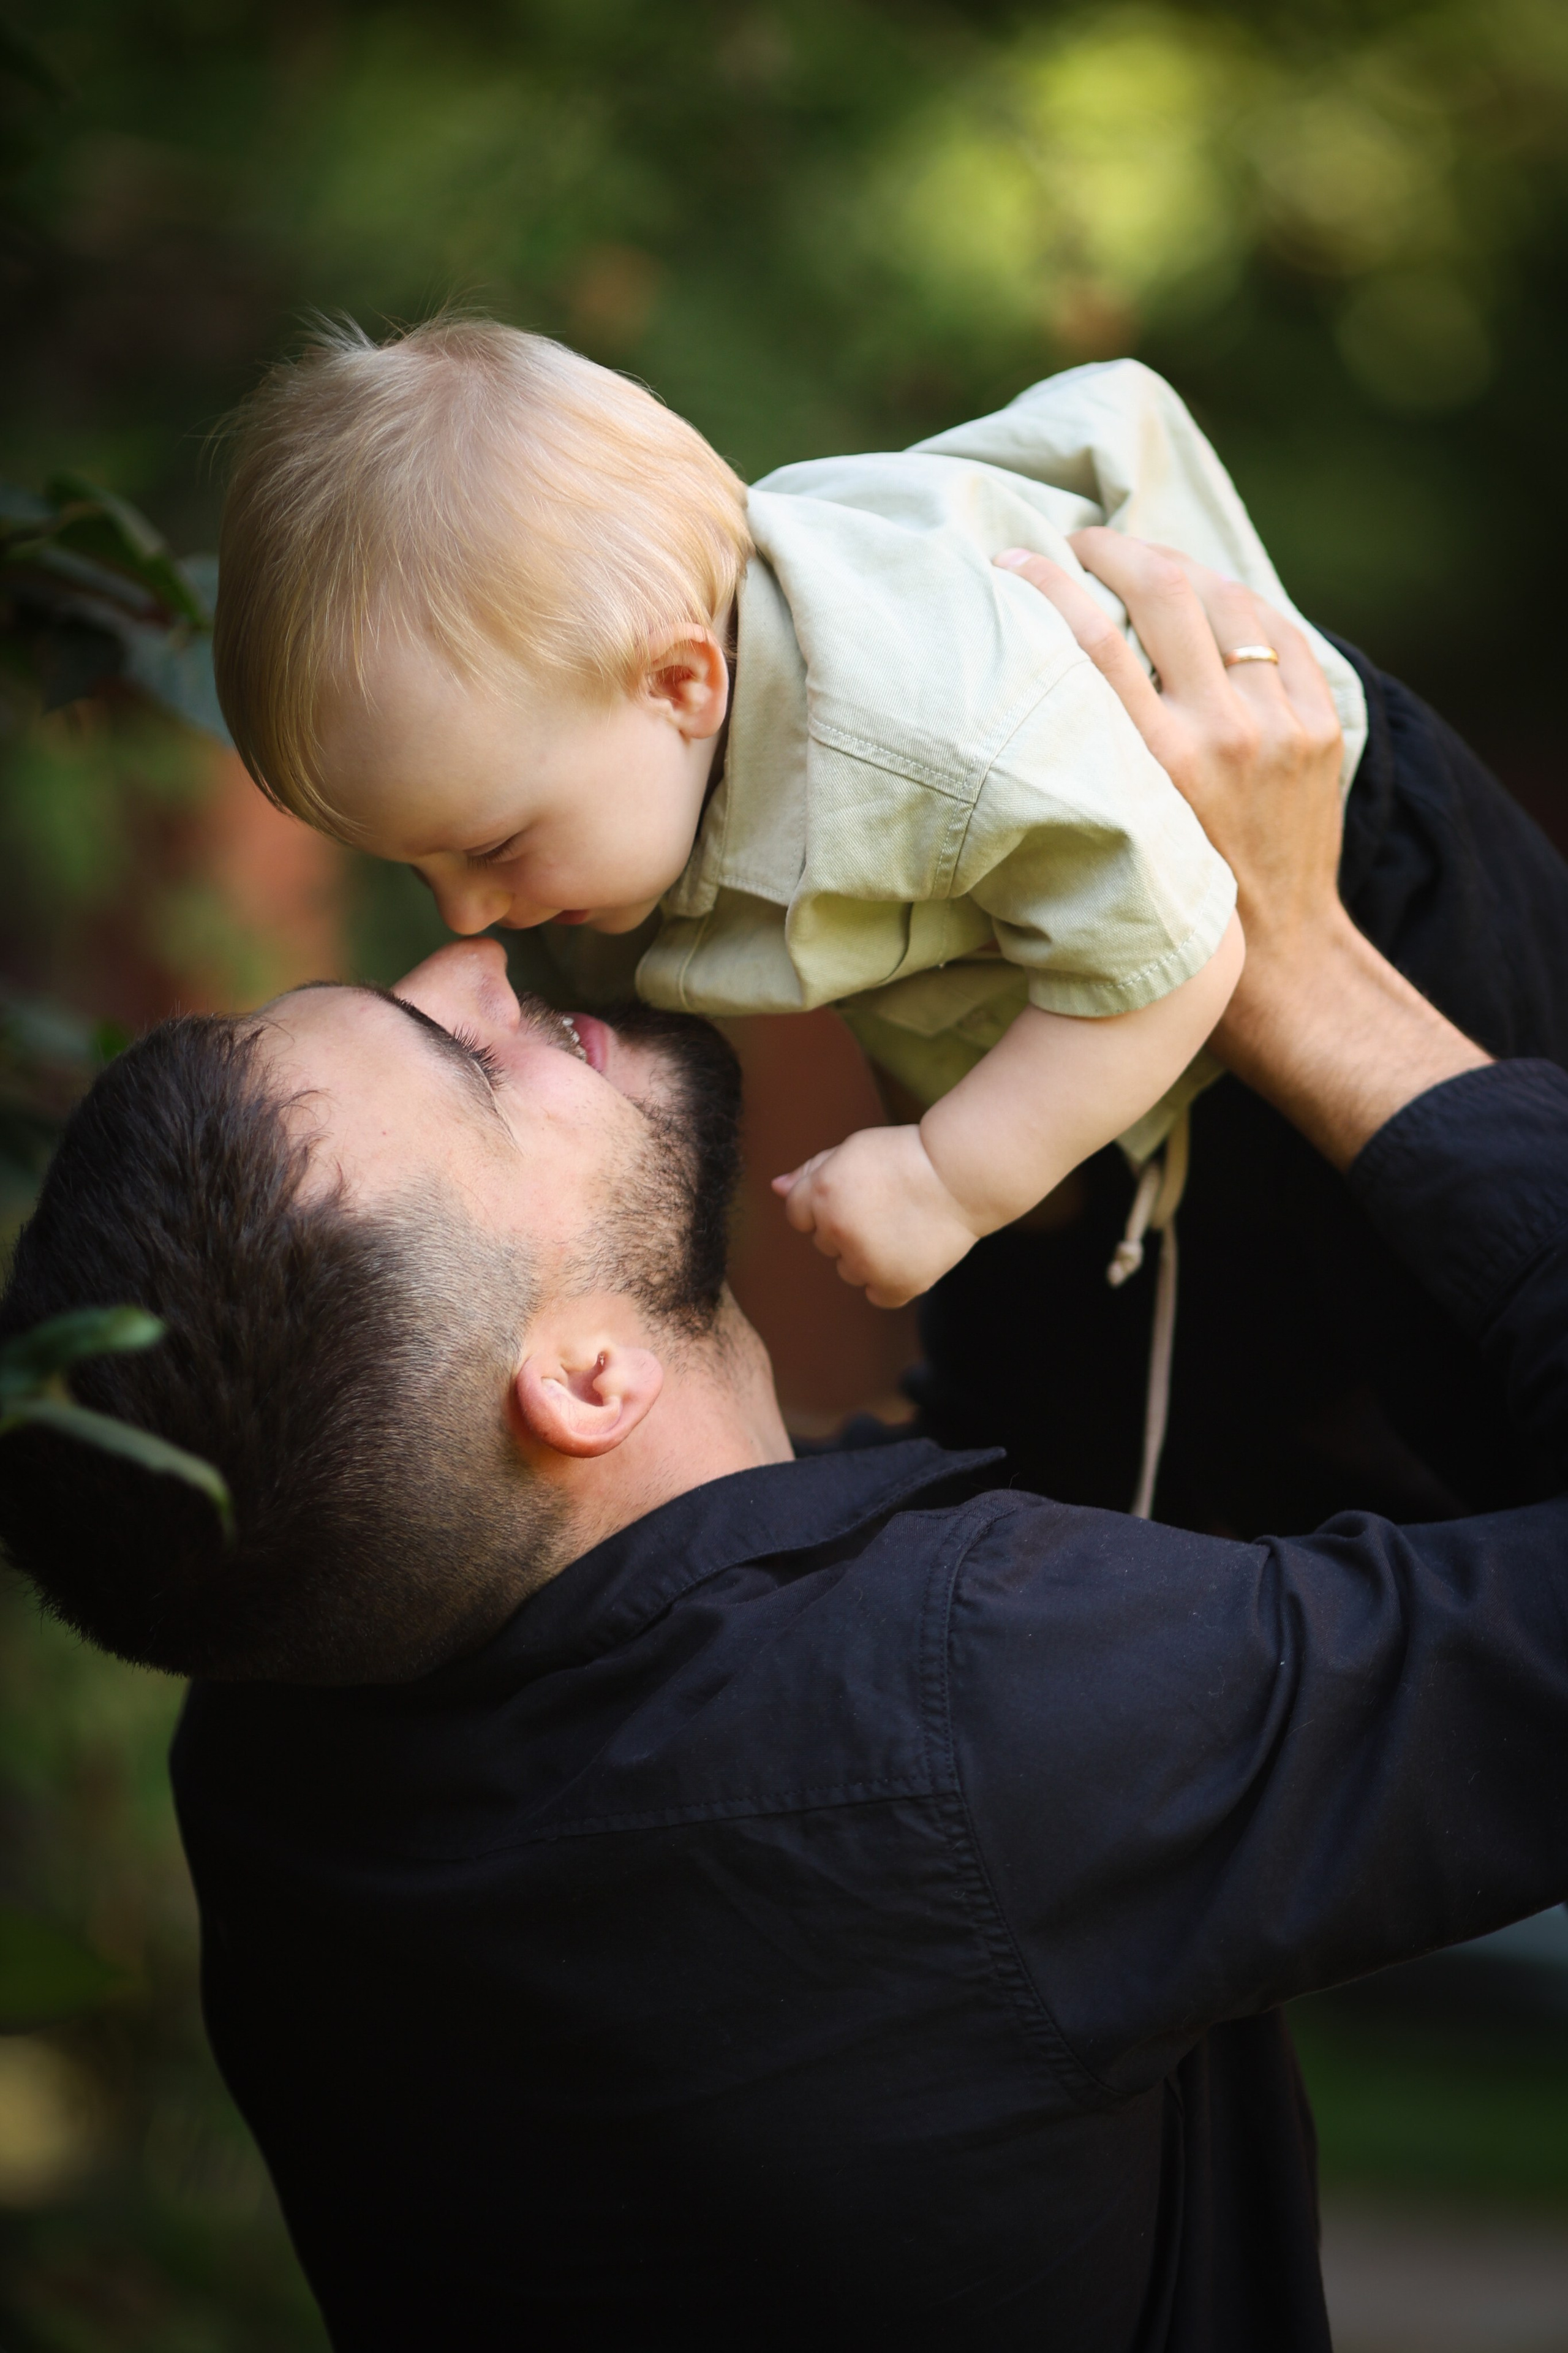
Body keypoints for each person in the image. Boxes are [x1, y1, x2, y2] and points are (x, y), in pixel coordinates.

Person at [4, 551, 1568, 2351]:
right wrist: (1303, 970)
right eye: (467, 1065)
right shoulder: (973, 1720)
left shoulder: (289, 1746)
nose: (479, 958)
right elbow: (939, 1722)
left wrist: (1007, 1043)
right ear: (585, 1378)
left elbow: (968, 1523)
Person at [217, 313, 1364, 1310]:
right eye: (421, 872)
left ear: (680, 684)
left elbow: (1182, 949)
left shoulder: (923, 728)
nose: (472, 915)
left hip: (1348, 863)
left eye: (492, 847)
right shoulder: (630, 780)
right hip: (1088, 1035)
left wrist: (950, 1177)